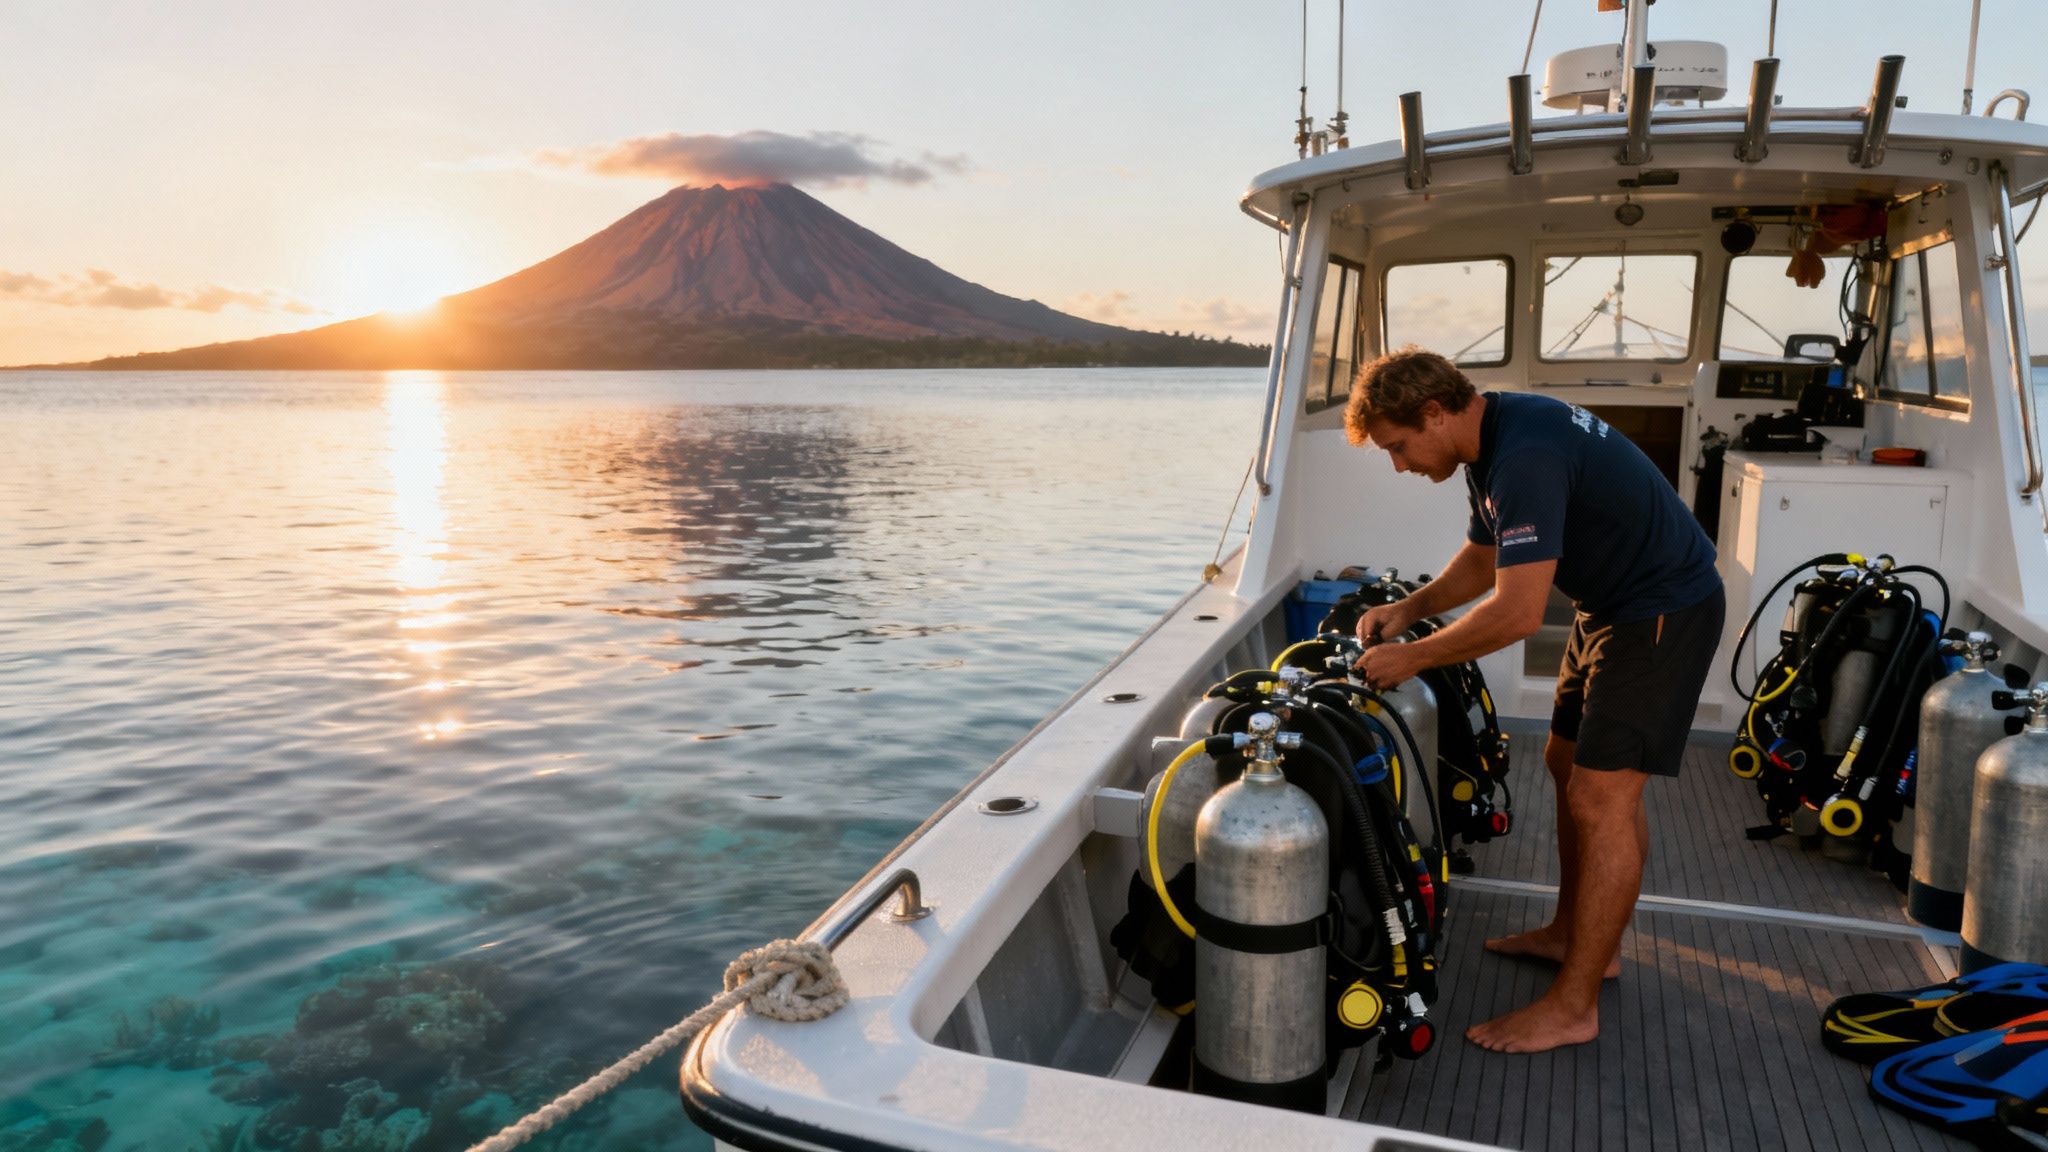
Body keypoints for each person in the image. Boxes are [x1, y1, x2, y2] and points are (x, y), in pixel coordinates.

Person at [1343, 347, 1724, 1054]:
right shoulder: (1493, 434)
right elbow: (1486, 557)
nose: (1400, 465)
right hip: (1609, 605)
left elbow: (1517, 614)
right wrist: (1413, 608)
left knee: (1600, 799)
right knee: (1563, 762)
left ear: (1433, 413)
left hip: (1662, 609)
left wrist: (1414, 655)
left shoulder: (1525, 456)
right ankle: (1575, 934)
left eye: (1399, 447)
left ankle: (1577, 1004)